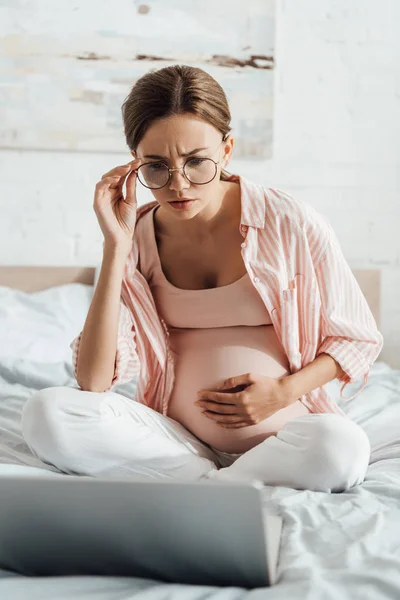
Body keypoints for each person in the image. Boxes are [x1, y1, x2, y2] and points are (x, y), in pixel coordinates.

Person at [21, 65, 383, 492]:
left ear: (226, 150)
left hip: (285, 434)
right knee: (47, 414)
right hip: (174, 443)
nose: (178, 185)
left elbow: (356, 339)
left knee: (343, 448)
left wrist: (282, 392)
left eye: (196, 162)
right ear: (134, 162)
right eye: (156, 167)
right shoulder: (135, 236)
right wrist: (114, 246)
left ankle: (201, 490)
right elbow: (94, 382)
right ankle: (221, 486)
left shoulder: (290, 221)